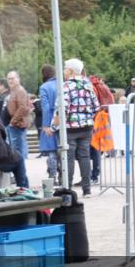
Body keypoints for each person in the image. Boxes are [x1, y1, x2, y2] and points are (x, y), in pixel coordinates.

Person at [52, 58, 98, 198]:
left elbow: (62, 108)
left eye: (65, 68)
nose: (64, 71)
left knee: (69, 157)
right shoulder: (88, 85)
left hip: (69, 128)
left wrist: (54, 125)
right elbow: (96, 106)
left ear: (71, 70)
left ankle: (68, 188)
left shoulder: (66, 86)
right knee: (84, 156)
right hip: (86, 127)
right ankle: (87, 189)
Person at [5, 71, 33, 165]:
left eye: (12, 78)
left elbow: (23, 107)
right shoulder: (14, 91)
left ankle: (21, 170)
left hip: (18, 123)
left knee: (18, 149)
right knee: (17, 147)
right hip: (16, 123)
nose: (10, 81)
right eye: (8, 79)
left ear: (18, 79)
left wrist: (13, 121)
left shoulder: (20, 90)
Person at [38, 65, 59, 181]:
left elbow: (45, 108)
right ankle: (63, 175)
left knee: (52, 151)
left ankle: (52, 176)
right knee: (61, 149)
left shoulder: (44, 87)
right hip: (61, 119)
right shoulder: (62, 84)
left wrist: (46, 125)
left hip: (50, 118)